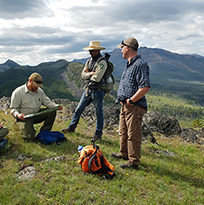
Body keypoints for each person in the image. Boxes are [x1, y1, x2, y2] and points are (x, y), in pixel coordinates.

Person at [111, 37, 150, 169]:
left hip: (134, 106)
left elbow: (144, 86)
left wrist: (132, 100)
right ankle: (124, 153)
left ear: (127, 48)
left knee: (133, 134)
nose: (121, 51)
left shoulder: (140, 64)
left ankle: (133, 161)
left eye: (122, 48)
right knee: (123, 132)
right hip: (125, 105)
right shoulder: (130, 64)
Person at [61, 41, 107, 142]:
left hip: (98, 91)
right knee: (78, 109)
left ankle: (98, 134)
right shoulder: (89, 61)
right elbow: (83, 75)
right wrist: (91, 73)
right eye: (89, 50)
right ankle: (71, 128)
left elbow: (97, 78)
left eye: (92, 50)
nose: (90, 52)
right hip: (89, 90)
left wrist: (88, 74)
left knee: (99, 113)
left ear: (98, 50)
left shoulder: (102, 62)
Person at [10, 72, 63, 142]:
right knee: (30, 138)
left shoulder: (40, 91)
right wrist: (18, 115)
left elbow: (47, 102)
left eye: (38, 86)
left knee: (52, 111)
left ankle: (44, 132)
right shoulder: (18, 92)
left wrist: (56, 106)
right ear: (30, 81)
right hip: (24, 118)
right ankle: (22, 127)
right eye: (35, 85)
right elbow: (13, 108)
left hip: (36, 114)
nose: (37, 87)